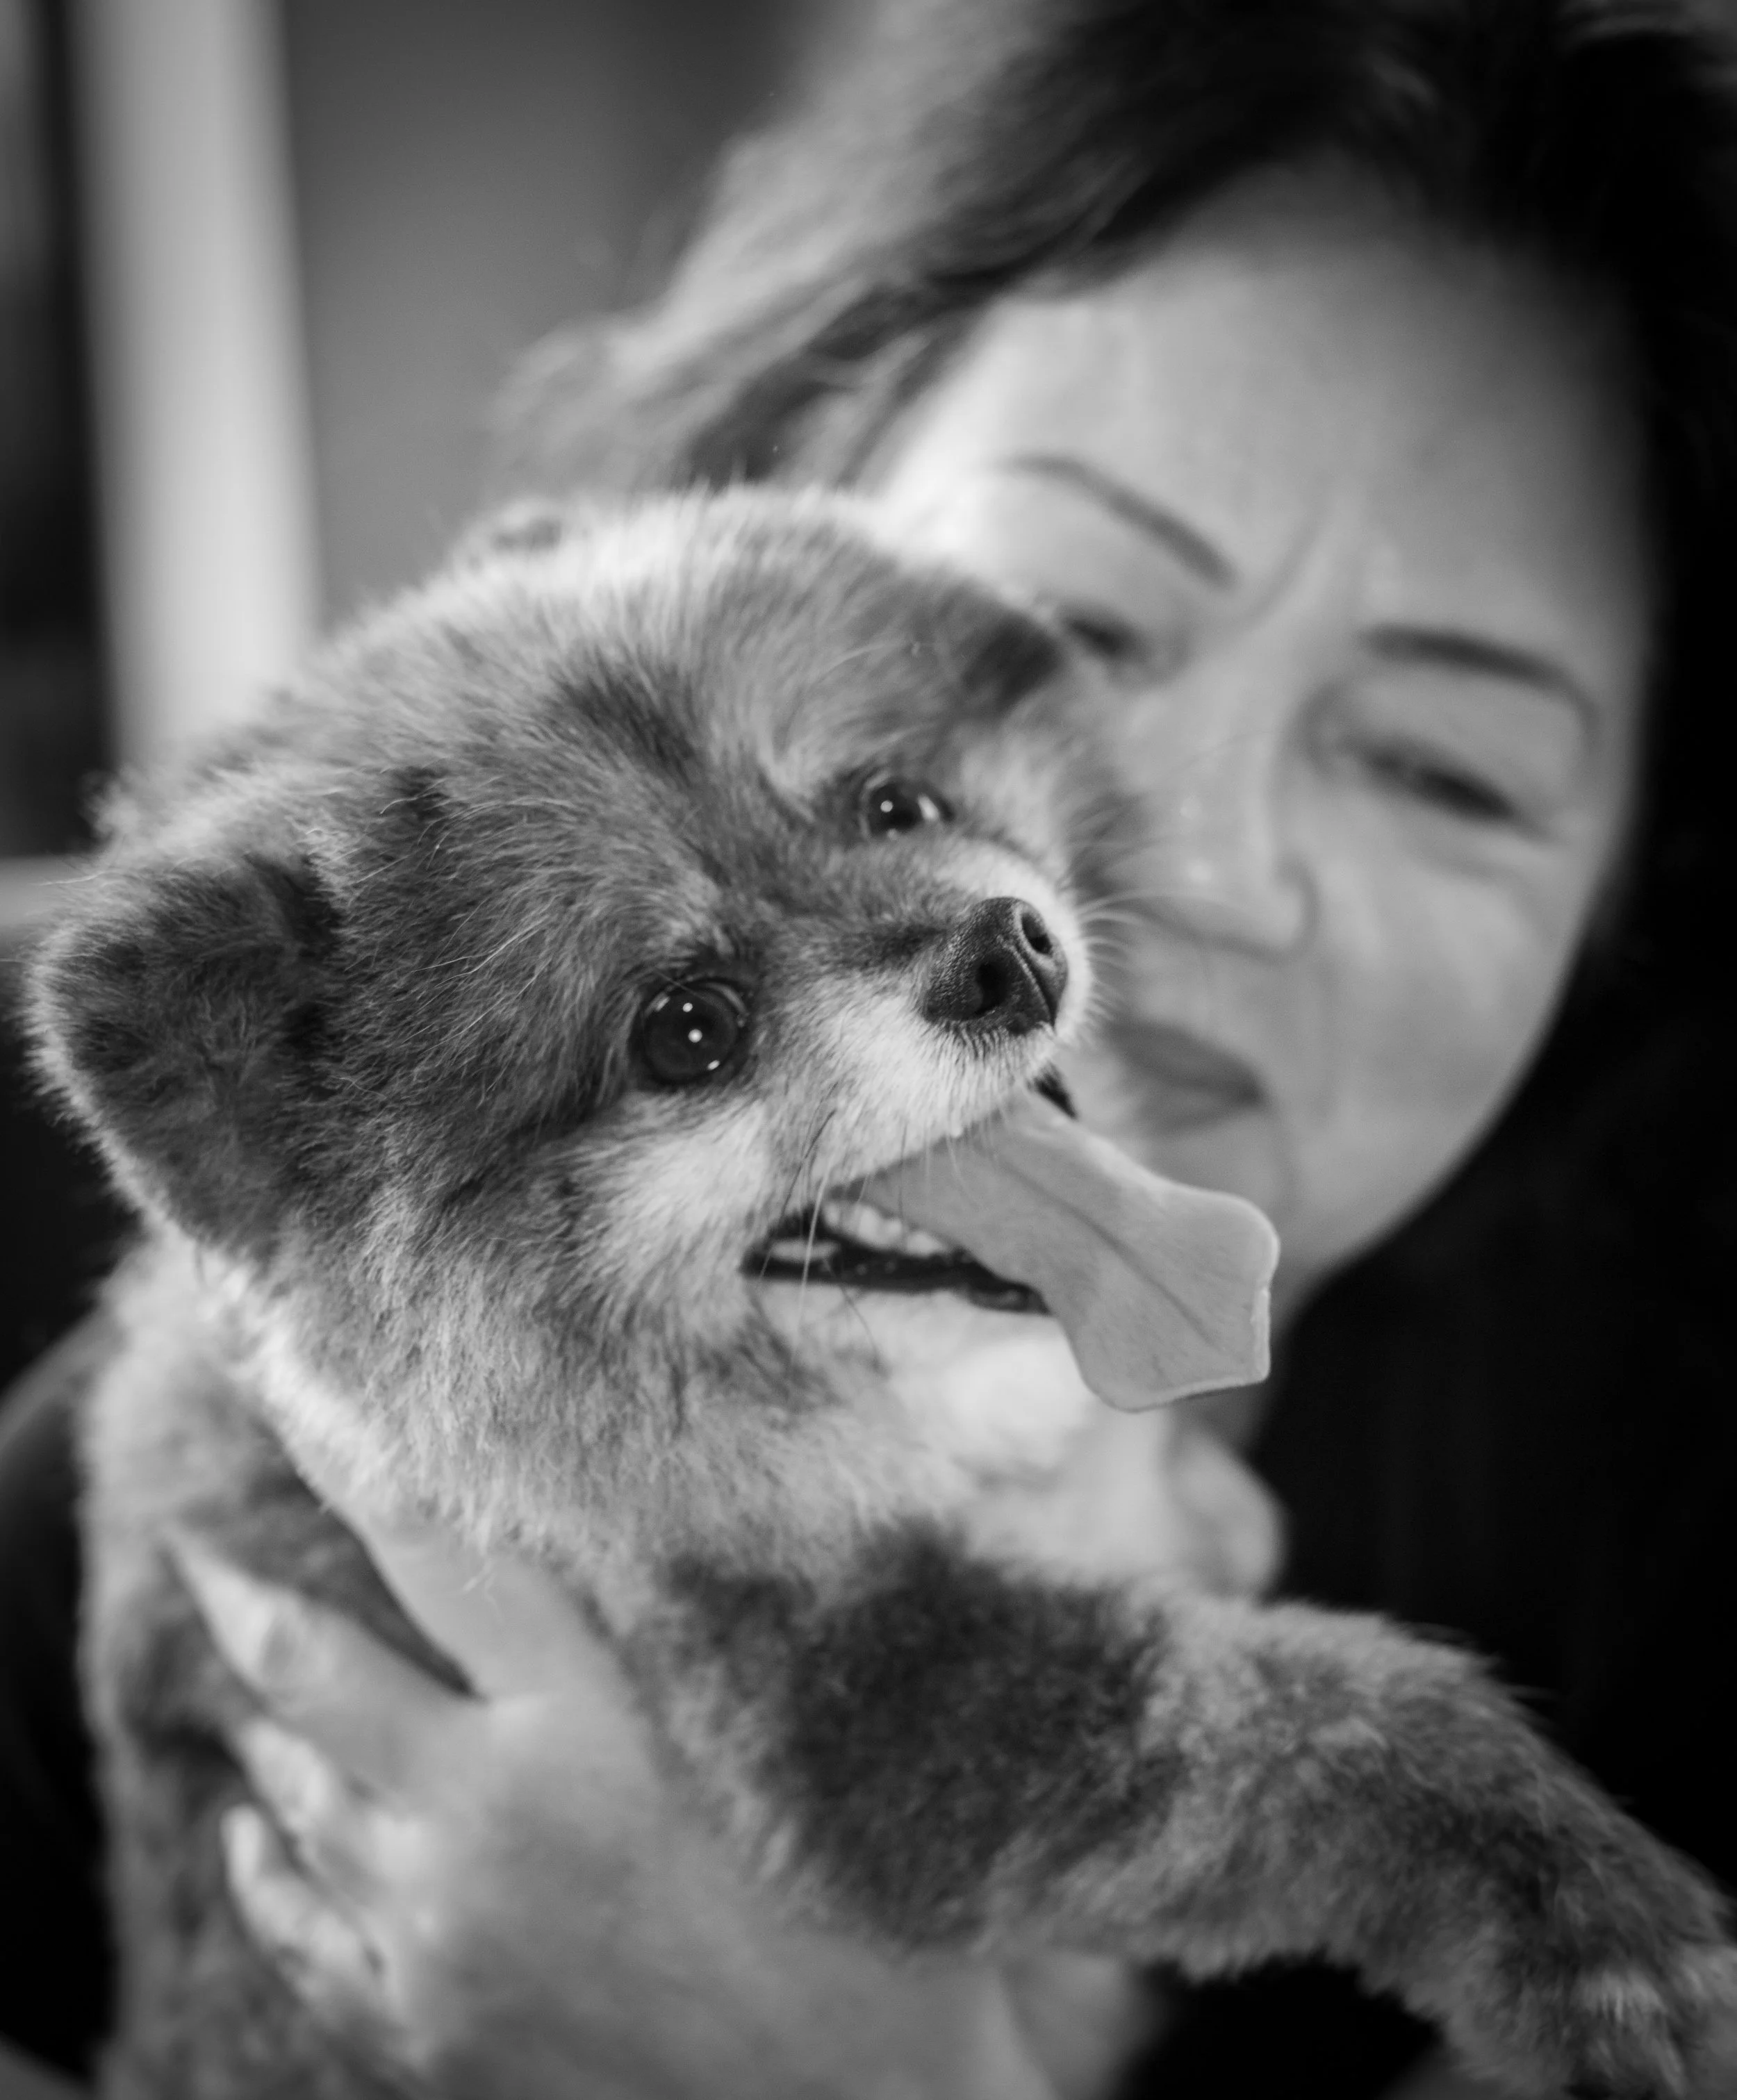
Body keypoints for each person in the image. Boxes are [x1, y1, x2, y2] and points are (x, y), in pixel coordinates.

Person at [3, 0, 1737, 2094]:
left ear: (1645, 872)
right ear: (817, 468)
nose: (1195, 857)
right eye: (691, 1025)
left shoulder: (1674, 1463)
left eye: (1443, 765)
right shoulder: (181, 1479)